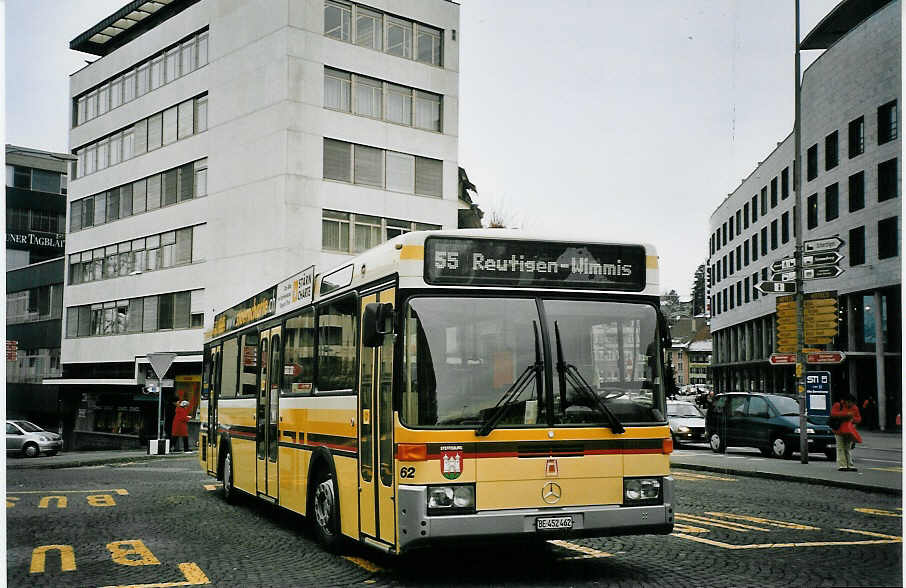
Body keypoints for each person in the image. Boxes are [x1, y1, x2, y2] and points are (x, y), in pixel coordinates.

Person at [830, 393, 862, 472]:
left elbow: (858, 418)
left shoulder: (854, 408)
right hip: (839, 430)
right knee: (840, 447)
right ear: (845, 401)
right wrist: (846, 415)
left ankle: (850, 465)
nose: (851, 404)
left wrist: (852, 419)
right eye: (849, 402)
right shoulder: (838, 405)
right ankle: (842, 465)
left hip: (849, 431)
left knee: (848, 448)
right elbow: (833, 414)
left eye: (852, 402)